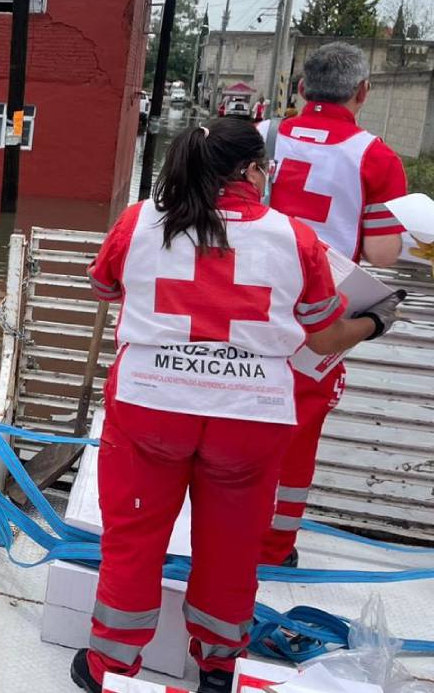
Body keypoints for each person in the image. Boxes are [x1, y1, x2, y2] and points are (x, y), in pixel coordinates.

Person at [72, 119, 404, 693]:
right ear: (253, 172)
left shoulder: (139, 222)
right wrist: (375, 320)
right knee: (231, 550)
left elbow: (102, 286)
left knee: (133, 540)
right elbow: (323, 337)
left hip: (151, 408)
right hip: (249, 420)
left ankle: (111, 668)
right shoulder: (295, 238)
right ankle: (220, 668)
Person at [257, 42, 407, 568]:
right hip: (319, 313)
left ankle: (212, 526)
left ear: (301, 88)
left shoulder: (260, 137)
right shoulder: (376, 155)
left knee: (229, 409)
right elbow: (384, 251)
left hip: (247, 299)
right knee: (296, 431)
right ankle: (274, 549)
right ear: (363, 93)